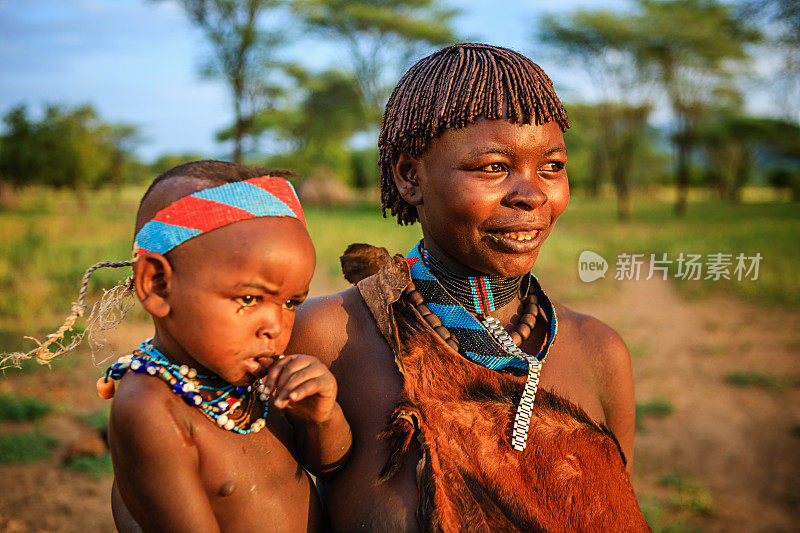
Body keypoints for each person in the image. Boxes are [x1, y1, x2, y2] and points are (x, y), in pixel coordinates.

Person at [287, 43, 649, 531]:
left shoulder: (599, 351)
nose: (533, 194)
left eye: (553, 166)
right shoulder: (328, 338)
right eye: (493, 167)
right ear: (410, 177)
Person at [5, 160, 352, 532]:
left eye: (290, 303)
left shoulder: (261, 381)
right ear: (156, 284)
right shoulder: (151, 409)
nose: (274, 326)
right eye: (249, 299)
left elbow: (331, 467)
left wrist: (323, 417)